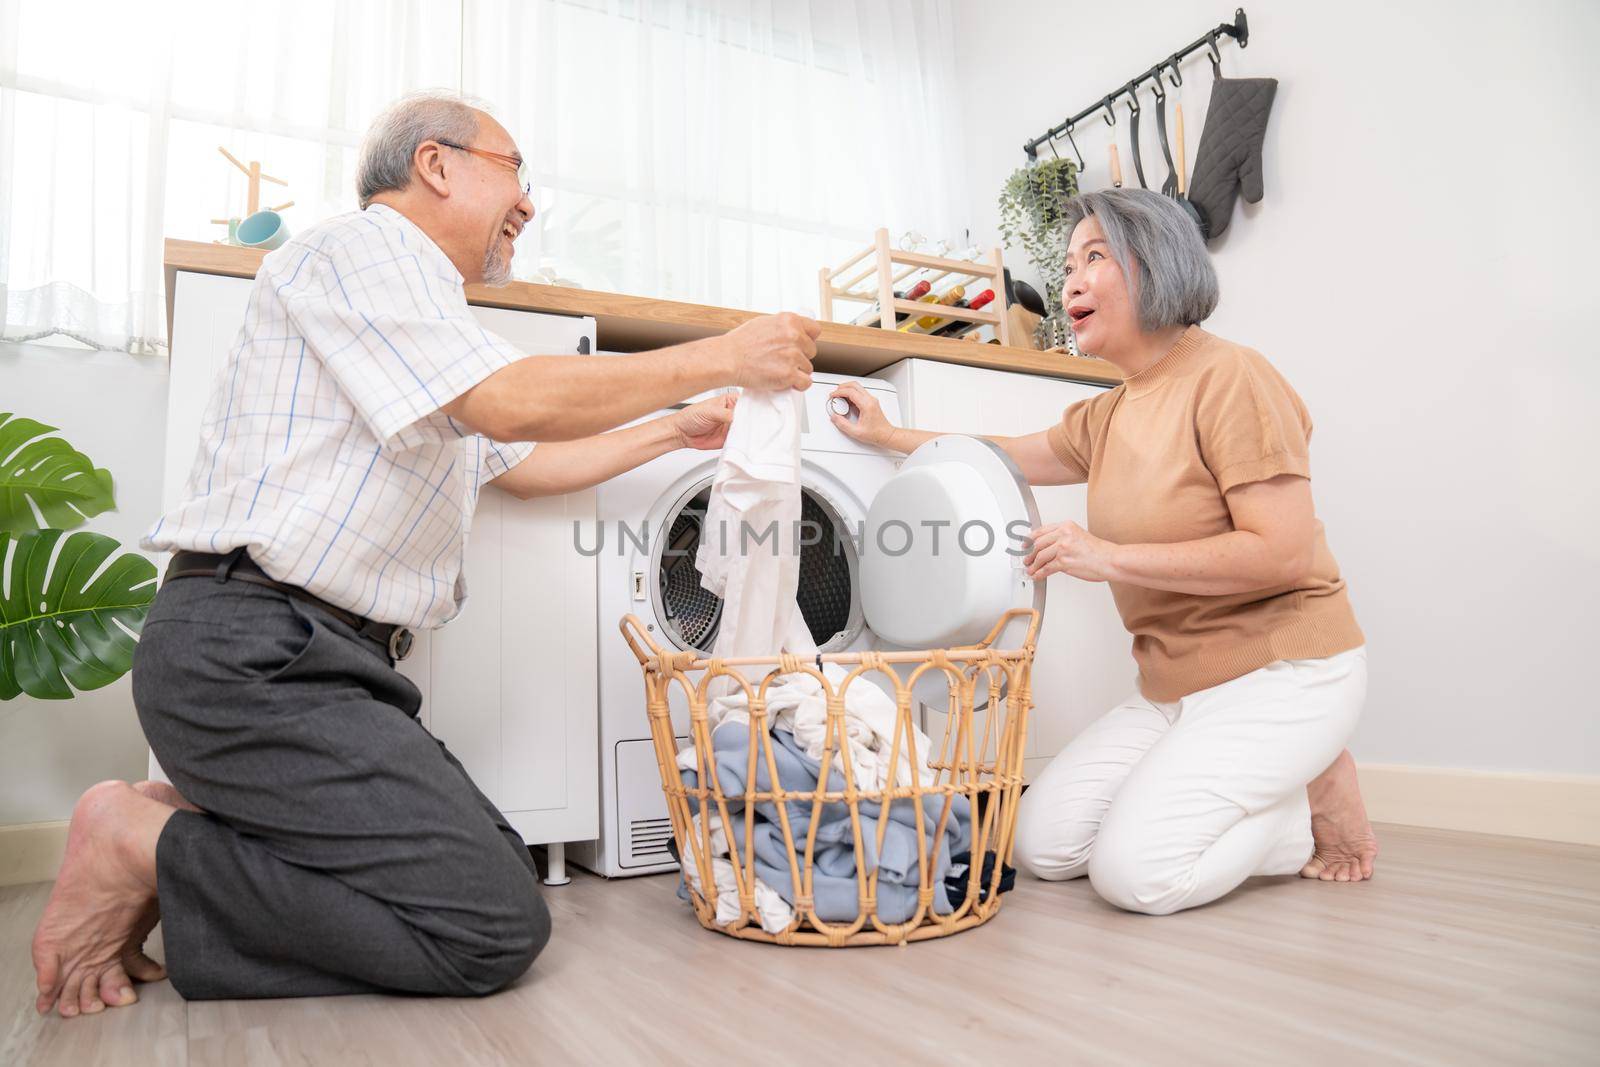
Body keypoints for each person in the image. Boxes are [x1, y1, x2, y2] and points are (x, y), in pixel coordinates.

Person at [31, 90, 819, 1018]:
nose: (528, 203)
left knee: (486, 863)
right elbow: (508, 403)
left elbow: (520, 462)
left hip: (321, 663)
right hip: (255, 654)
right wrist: (722, 356)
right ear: (437, 165)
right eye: (517, 171)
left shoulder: (422, 322)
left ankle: (175, 822)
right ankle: (136, 840)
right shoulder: (361, 250)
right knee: (489, 926)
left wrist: (676, 429)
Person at [825, 187, 1377, 917]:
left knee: (1135, 876)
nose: (1071, 280)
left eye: (1095, 257)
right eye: (1067, 264)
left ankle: (1305, 811)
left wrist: (1108, 557)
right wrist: (886, 435)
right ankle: (1272, 779)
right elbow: (1000, 457)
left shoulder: (1232, 378)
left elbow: (1280, 554)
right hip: (1177, 688)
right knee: (1043, 846)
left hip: (1287, 668)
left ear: (1155, 264)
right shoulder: (1111, 410)